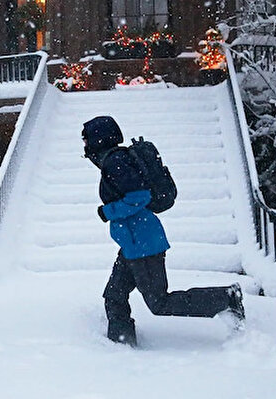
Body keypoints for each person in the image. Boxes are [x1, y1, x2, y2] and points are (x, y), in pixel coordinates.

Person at [82, 115, 245, 347]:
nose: (85, 146)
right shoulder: (114, 160)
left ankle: (226, 299)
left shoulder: (116, 163)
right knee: (114, 295)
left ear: (99, 139)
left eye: (87, 140)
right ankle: (121, 346)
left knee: (160, 303)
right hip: (133, 243)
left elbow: (139, 197)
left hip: (143, 245)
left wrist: (108, 211)